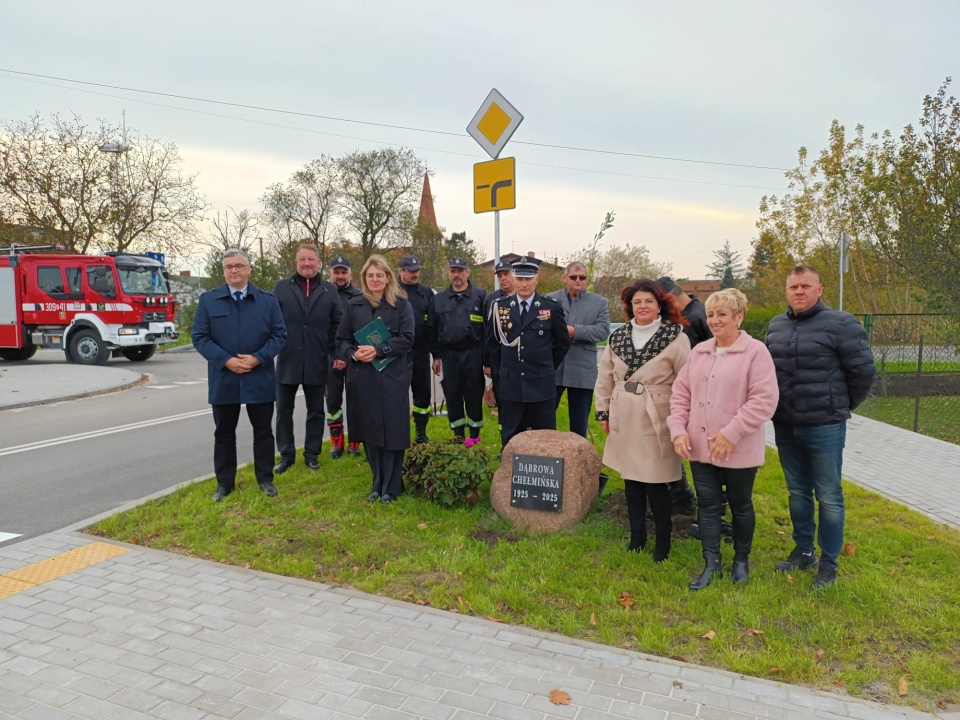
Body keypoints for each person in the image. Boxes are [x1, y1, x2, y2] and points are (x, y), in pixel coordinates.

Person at [765, 264, 876, 589]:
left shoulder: (842, 324)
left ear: (819, 289)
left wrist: (839, 405)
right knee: (798, 491)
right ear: (786, 291)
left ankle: (828, 563)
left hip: (824, 425)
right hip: (785, 423)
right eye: (793, 287)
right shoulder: (776, 326)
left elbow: (863, 372)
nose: (799, 291)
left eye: (805, 286)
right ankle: (803, 551)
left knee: (828, 495)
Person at [668, 289, 779, 590]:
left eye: (722, 315)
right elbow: (680, 395)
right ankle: (711, 562)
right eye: (711, 315)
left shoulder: (755, 352)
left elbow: (764, 399)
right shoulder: (699, 352)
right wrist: (678, 429)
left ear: (739, 317)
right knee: (707, 504)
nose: (714, 321)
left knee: (741, 504)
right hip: (700, 447)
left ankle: (740, 560)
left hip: (738, 448)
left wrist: (732, 433)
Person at [594, 279, 690, 562]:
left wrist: (682, 420)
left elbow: (687, 381)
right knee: (631, 479)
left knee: (655, 480)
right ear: (629, 306)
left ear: (659, 304)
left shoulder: (675, 336)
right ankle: (637, 537)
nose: (643, 306)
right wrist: (603, 411)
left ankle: (663, 541)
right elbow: (605, 377)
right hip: (624, 412)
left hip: (657, 415)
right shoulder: (618, 337)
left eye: (648, 300)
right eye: (637, 302)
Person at [192, 249, 287, 502]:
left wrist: (258, 358)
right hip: (225, 378)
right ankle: (225, 484)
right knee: (223, 432)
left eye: (238, 266)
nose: (233, 271)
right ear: (223, 271)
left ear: (248, 269)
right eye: (228, 267)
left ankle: (265, 479)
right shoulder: (208, 301)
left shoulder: (267, 301)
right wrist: (227, 361)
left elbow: (280, 336)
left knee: (263, 431)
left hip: (260, 377)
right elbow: (199, 338)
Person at [336, 254, 415, 504]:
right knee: (370, 429)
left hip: (392, 376)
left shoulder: (401, 304)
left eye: (379, 275)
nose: (375, 279)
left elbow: (408, 338)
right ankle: (377, 482)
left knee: (392, 429)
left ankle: (392, 486)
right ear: (364, 278)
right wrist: (353, 354)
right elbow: (342, 340)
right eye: (370, 276)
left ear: (388, 277)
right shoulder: (354, 305)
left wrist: (380, 350)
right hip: (364, 377)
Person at [272, 244, 342, 474]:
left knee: (316, 411)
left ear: (319, 262)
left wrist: (339, 354)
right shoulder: (281, 288)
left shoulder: (329, 290)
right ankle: (286, 455)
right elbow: (271, 322)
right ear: (296, 262)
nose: (307, 264)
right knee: (283, 411)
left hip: (317, 359)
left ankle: (312, 454)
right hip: (287, 359)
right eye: (302, 260)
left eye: (311, 259)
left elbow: (338, 325)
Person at [488, 257, 571, 448]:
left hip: (541, 385)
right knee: (511, 438)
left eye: (528, 279)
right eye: (520, 279)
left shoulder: (551, 307)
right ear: (513, 279)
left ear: (537, 279)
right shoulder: (500, 308)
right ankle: (510, 475)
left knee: (544, 440)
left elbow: (562, 344)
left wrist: (546, 365)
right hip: (511, 385)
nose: (524, 284)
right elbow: (493, 345)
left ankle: (543, 477)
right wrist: (504, 370)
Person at [657, 277, 710, 515]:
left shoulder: (700, 316)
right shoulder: (679, 318)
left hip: (702, 394)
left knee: (700, 451)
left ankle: (709, 504)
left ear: (670, 297)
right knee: (671, 442)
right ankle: (681, 494)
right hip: (680, 391)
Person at [547, 261, 610, 438]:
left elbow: (603, 330)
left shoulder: (599, 303)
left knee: (579, 422)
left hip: (582, 368)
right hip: (554, 366)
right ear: (565, 278)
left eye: (582, 277)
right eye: (573, 277)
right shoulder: (549, 299)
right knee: (544, 416)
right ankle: (545, 455)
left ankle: (579, 459)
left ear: (587, 279)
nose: (578, 281)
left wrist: (575, 331)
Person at [431, 257, 487, 444]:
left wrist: (486, 360)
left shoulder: (480, 296)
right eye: (453, 271)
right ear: (448, 273)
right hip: (449, 355)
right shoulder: (439, 299)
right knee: (452, 393)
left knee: (474, 392)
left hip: (473, 353)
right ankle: (458, 435)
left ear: (467, 272)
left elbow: (488, 329)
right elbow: (433, 329)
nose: (456, 275)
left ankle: (474, 435)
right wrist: (436, 356)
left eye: (460, 271)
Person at [326, 254, 364, 459]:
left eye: (343, 272)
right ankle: (336, 442)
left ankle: (355, 442)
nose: (340, 276)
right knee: (332, 402)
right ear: (329, 273)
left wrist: (346, 355)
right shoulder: (323, 294)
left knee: (356, 401)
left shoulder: (359, 296)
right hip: (330, 357)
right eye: (336, 272)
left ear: (350, 273)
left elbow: (362, 328)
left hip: (353, 357)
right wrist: (335, 355)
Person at [397, 255, 436, 444]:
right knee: (397, 395)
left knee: (422, 394)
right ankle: (398, 434)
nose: (415, 274)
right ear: (401, 271)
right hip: (397, 354)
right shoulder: (391, 290)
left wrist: (436, 355)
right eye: (411, 271)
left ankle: (421, 433)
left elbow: (433, 325)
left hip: (420, 352)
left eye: (417, 271)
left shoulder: (426, 293)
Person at [482, 258, 515, 446]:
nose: (503, 279)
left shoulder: (526, 297)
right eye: (500, 275)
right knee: (503, 401)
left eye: (506, 274)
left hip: (523, 361)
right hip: (499, 361)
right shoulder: (491, 299)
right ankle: (506, 443)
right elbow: (487, 333)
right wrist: (487, 362)